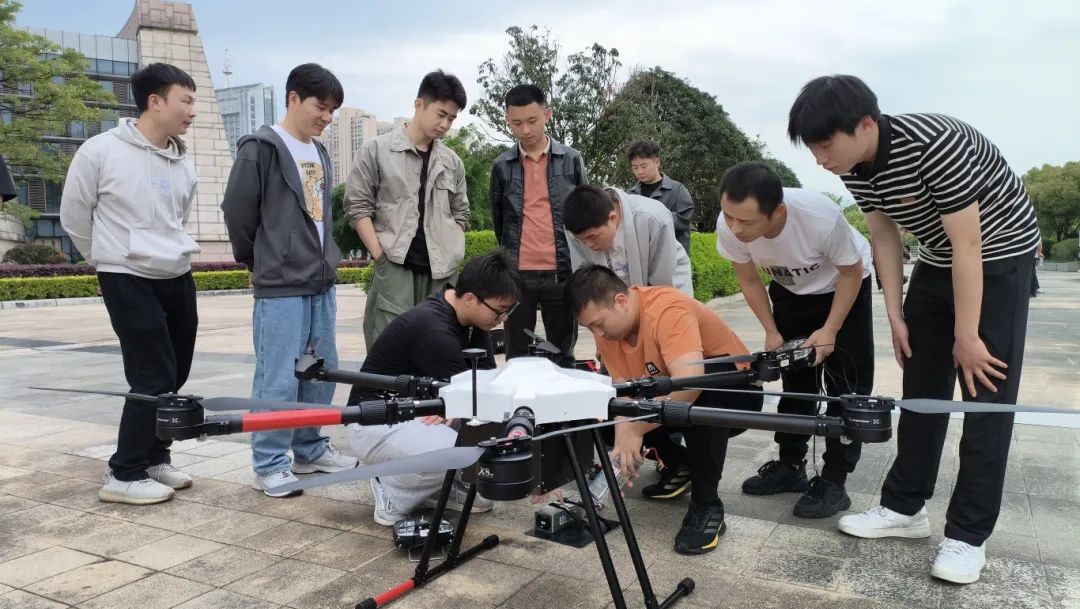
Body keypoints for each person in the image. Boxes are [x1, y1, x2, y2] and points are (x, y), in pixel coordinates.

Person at [788, 74, 1040, 584]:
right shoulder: (854, 166)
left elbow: (970, 245)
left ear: (864, 124)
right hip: (938, 258)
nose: (820, 159)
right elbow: (883, 236)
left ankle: (968, 536)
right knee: (921, 389)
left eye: (825, 145)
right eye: (812, 149)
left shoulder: (936, 144)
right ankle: (905, 508)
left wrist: (967, 336)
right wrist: (896, 314)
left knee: (984, 396)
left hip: (1000, 257)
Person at [59, 63, 200, 504]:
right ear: (154, 102)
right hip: (126, 275)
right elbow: (74, 215)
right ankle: (124, 472)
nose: (192, 111)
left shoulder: (183, 162)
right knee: (151, 373)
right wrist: (107, 258)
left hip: (177, 273)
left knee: (175, 371)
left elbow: (178, 218)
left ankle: (156, 458)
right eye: (186, 101)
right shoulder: (101, 151)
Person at [222, 63, 358, 497]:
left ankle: (310, 447)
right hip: (280, 284)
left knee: (320, 373)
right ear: (293, 98)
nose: (327, 117)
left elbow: (321, 217)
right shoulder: (260, 148)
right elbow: (238, 213)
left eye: (333, 110)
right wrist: (257, 261)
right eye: (321, 106)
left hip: (320, 281)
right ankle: (269, 462)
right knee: (277, 376)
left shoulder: (319, 152)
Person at [714, 161, 874, 519]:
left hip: (844, 287)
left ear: (778, 212)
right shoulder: (730, 224)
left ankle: (834, 481)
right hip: (790, 291)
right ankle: (791, 465)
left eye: (746, 222)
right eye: (729, 217)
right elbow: (750, 280)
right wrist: (771, 330)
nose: (735, 228)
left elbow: (851, 273)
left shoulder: (820, 217)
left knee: (846, 387)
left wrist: (830, 330)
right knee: (796, 381)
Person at [565, 266, 762, 555]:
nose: (598, 334)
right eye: (590, 328)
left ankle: (706, 505)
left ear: (621, 301)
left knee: (702, 395)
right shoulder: (608, 332)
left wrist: (636, 428)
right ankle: (680, 464)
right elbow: (624, 391)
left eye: (598, 324)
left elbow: (689, 384)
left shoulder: (667, 309)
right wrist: (623, 431)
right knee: (604, 415)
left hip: (733, 395)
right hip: (669, 393)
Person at [345, 251, 524, 525]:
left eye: (509, 310)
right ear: (470, 298)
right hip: (374, 422)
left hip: (419, 415)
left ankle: (435, 488)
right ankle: (389, 485)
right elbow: (476, 400)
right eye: (501, 310)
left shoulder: (472, 319)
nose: (504, 318)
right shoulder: (433, 329)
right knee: (466, 452)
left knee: (481, 486)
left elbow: (485, 384)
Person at [345, 70, 470, 351]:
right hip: (395, 267)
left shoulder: (452, 162)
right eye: (440, 114)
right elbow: (357, 205)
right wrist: (380, 255)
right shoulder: (377, 150)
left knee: (438, 348)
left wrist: (452, 248)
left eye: (451, 118)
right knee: (389, 347)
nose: (445, 124)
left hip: (442, 273)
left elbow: (461, 213)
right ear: (419, 104)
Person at [490, 84, 588, 366]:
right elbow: (500, 221)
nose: (525, 130)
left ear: (547, 114)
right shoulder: (501, 166)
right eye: (516, 123)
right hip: (517, 275)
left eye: (532, 121)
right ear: (507, 120)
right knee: (517, 354)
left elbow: (584, 212)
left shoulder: (571, 159)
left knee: (562, 353)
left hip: (561, 271)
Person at [563, 184, 692, 296]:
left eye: (593, 237)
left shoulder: (652, 218)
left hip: (668, 282)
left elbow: (663, 284)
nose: (588, 245)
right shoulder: (574, 230)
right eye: (582, 240)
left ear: (612, 218)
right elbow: (588, 283)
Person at [626, 140, 694, 255]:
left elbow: (684, 219)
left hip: (672, 258)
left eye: (644, 166)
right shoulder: (630, 195)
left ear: (657, 162)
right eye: (635, 168)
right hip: (641, 259)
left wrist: (651, 220)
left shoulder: (677, 190)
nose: (640, 172)